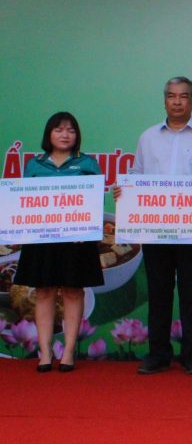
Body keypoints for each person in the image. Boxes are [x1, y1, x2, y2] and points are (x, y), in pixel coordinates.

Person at [129, 76, 192, 375]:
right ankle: (158, 354)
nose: (177, 101)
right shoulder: (148, 137)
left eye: (183, 96)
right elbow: (137, 178)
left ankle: (191, 355)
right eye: (171, 96)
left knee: (191, 294)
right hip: (156, 230)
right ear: (164, 101)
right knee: (158, 293)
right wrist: (126, 195)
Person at [13, 112, 104, 372]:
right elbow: (23, 202)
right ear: (49, 134)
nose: (65, 135)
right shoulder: (35, 164)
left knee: (74, 291)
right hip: (42, 239)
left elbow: (95, 200)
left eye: (70, 130)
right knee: (44, 292)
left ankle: (69, 352)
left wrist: (86, 226)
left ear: (77, 136)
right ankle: (45, 352)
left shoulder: (87, 163)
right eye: (59, 129)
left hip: (77, 240)